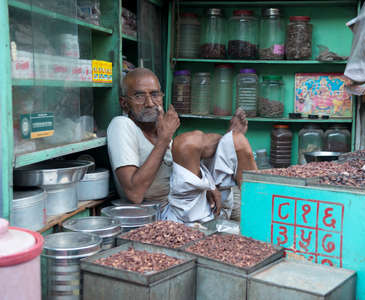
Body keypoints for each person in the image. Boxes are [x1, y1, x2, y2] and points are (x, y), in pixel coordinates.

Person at [107, 68, 257, 223]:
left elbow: (183, 169)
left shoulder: (159, 129)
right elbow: (135, 193)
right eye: (139, 96)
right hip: (162, 211)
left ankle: (261, 208)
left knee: (236, 140)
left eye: (155, 94)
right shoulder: (121, 125)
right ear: (124, 103)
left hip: (186, 201)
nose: (150, 103)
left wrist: (208, 186)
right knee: (187, 142)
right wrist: (165, 139)